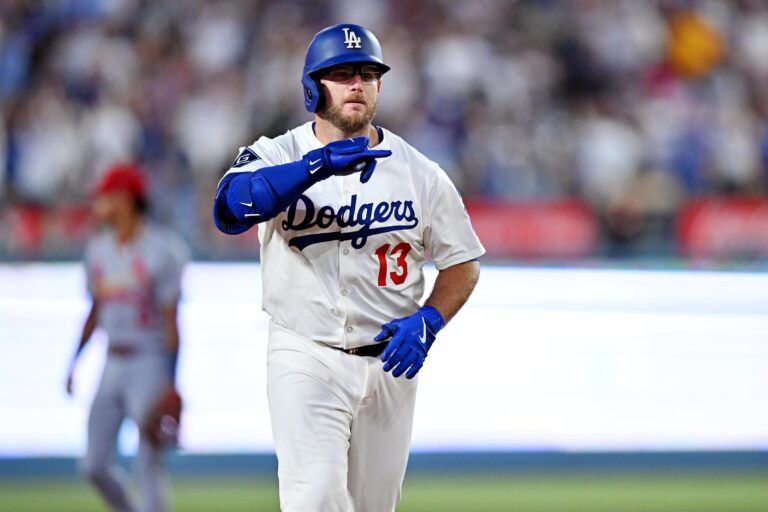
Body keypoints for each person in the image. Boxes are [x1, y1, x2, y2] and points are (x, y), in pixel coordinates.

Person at [212, 23, 484, 511]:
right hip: (305, 350)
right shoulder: (279, 152)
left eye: (367, 73)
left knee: (373, 506)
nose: (356, 83)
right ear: (313, 88)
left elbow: (463, 262)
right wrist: (314, 167)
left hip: (390, 361)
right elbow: (230, 208)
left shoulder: (420, 172)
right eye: (341, 73)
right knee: (314, 499)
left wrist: (430, 320)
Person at [66, 163, 189, 512]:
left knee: (148, 463)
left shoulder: (163, 250)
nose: (99, 204)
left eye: (106, 196)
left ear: (126, 199)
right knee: (92, 465)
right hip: (112, 360)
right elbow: (94, 312)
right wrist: (74, 362)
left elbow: (171, 322)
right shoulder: (98, 251)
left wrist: (171, 381)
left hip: (148, 359)